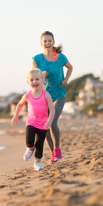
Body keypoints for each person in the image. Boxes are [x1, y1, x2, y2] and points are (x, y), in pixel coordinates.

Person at [32, 31, 73, 164]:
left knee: (52, 121)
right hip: (45, 96)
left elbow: (70, 68)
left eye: (50, 40)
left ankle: (57, 150)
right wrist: (41, 76)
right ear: (41, 43)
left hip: (60, 94)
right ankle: (52, 154)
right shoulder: (37, 59)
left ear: (53, 42)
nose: (47, 43)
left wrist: (66, 79)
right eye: (45, 41)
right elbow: (33, 78)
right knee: (45, 125)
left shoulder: (60, 57)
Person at [10, 69, 55, 171]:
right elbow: (20, 104)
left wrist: (49, 121)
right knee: (29, 140)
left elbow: (52, 110)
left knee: (40, 144)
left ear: (42, 80)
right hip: (31, 122)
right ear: (28, 82)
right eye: (32, 80)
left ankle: (37, 163)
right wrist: (15, 116)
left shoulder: (46, 94)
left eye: (37, 79)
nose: (34, 82)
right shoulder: (27, 95)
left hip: (43, 124)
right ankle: (30, 148)